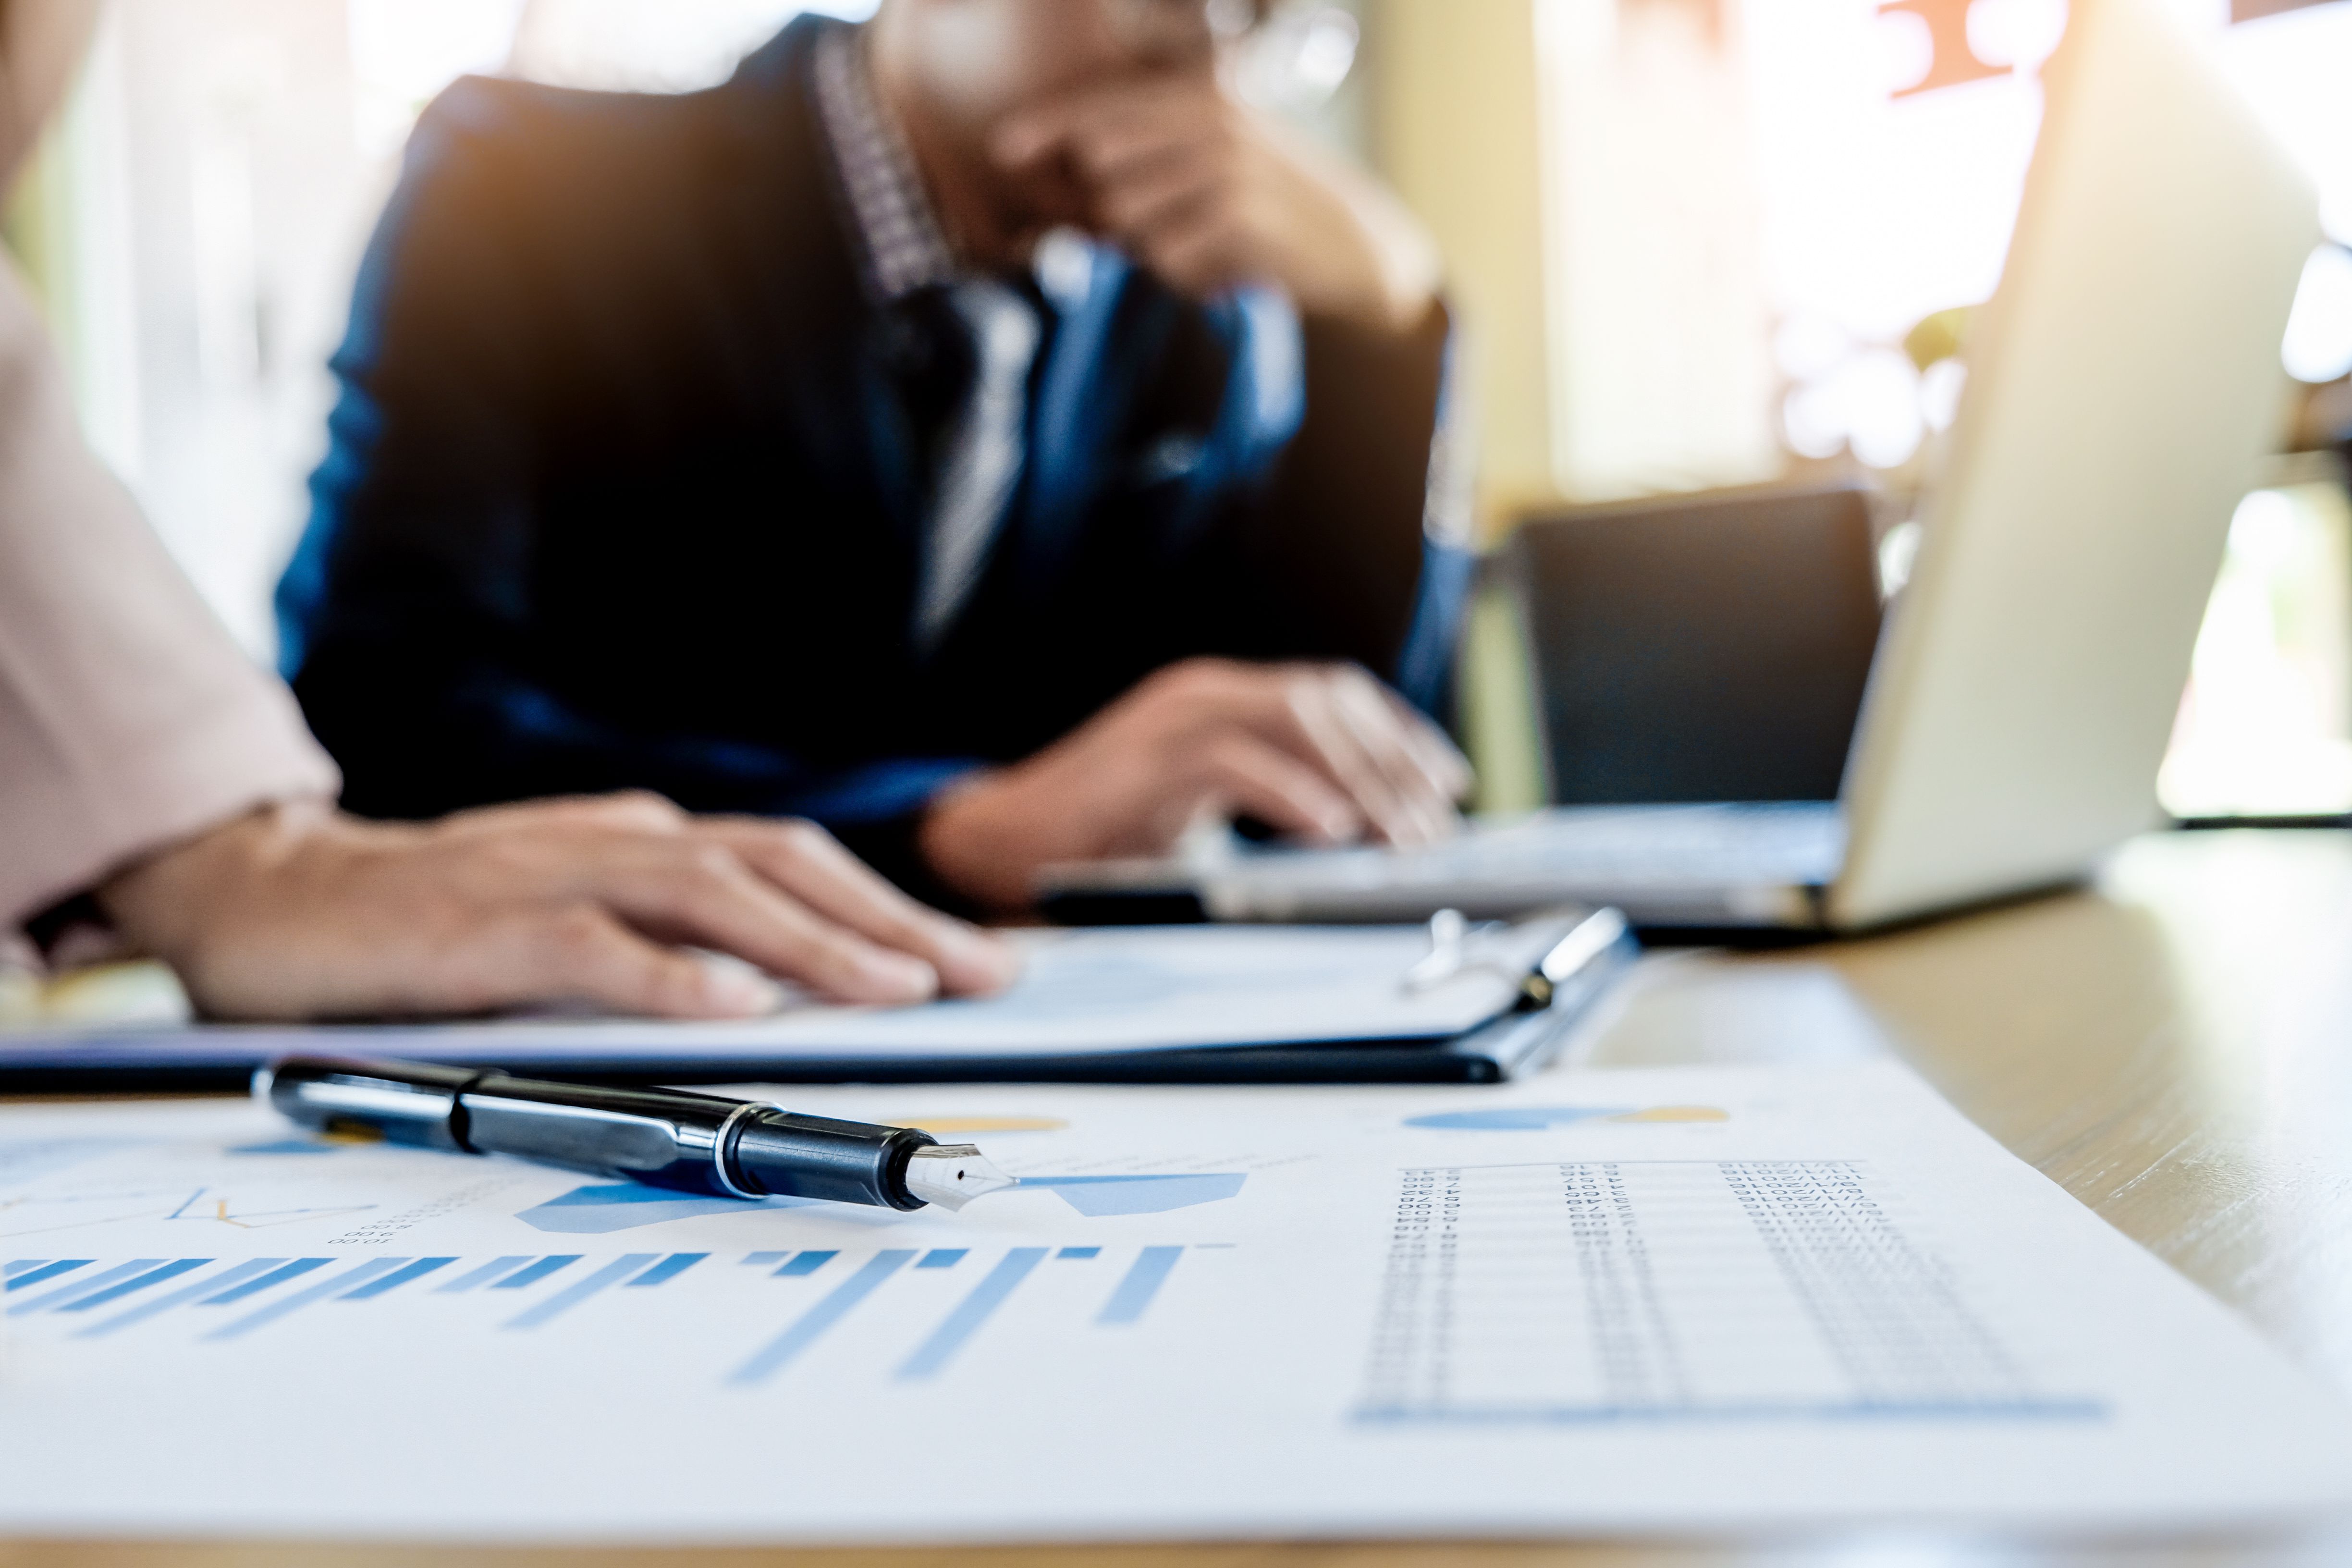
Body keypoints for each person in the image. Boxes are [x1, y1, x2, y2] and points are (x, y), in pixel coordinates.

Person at [280, 0, 1477, 915]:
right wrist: (945, 827)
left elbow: (1328, 766)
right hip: (616, 1036)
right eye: (1165, 3)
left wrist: (1389, 326)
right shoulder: (525, 188)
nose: (1211, 79)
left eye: (1260, 20)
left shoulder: (1194, 316)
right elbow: (386, 726)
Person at [0, 0, 1017, 1021]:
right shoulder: (530, 181)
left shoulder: (1138, 302)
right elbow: (390, 702)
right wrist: (938, 824)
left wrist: (245, 872)